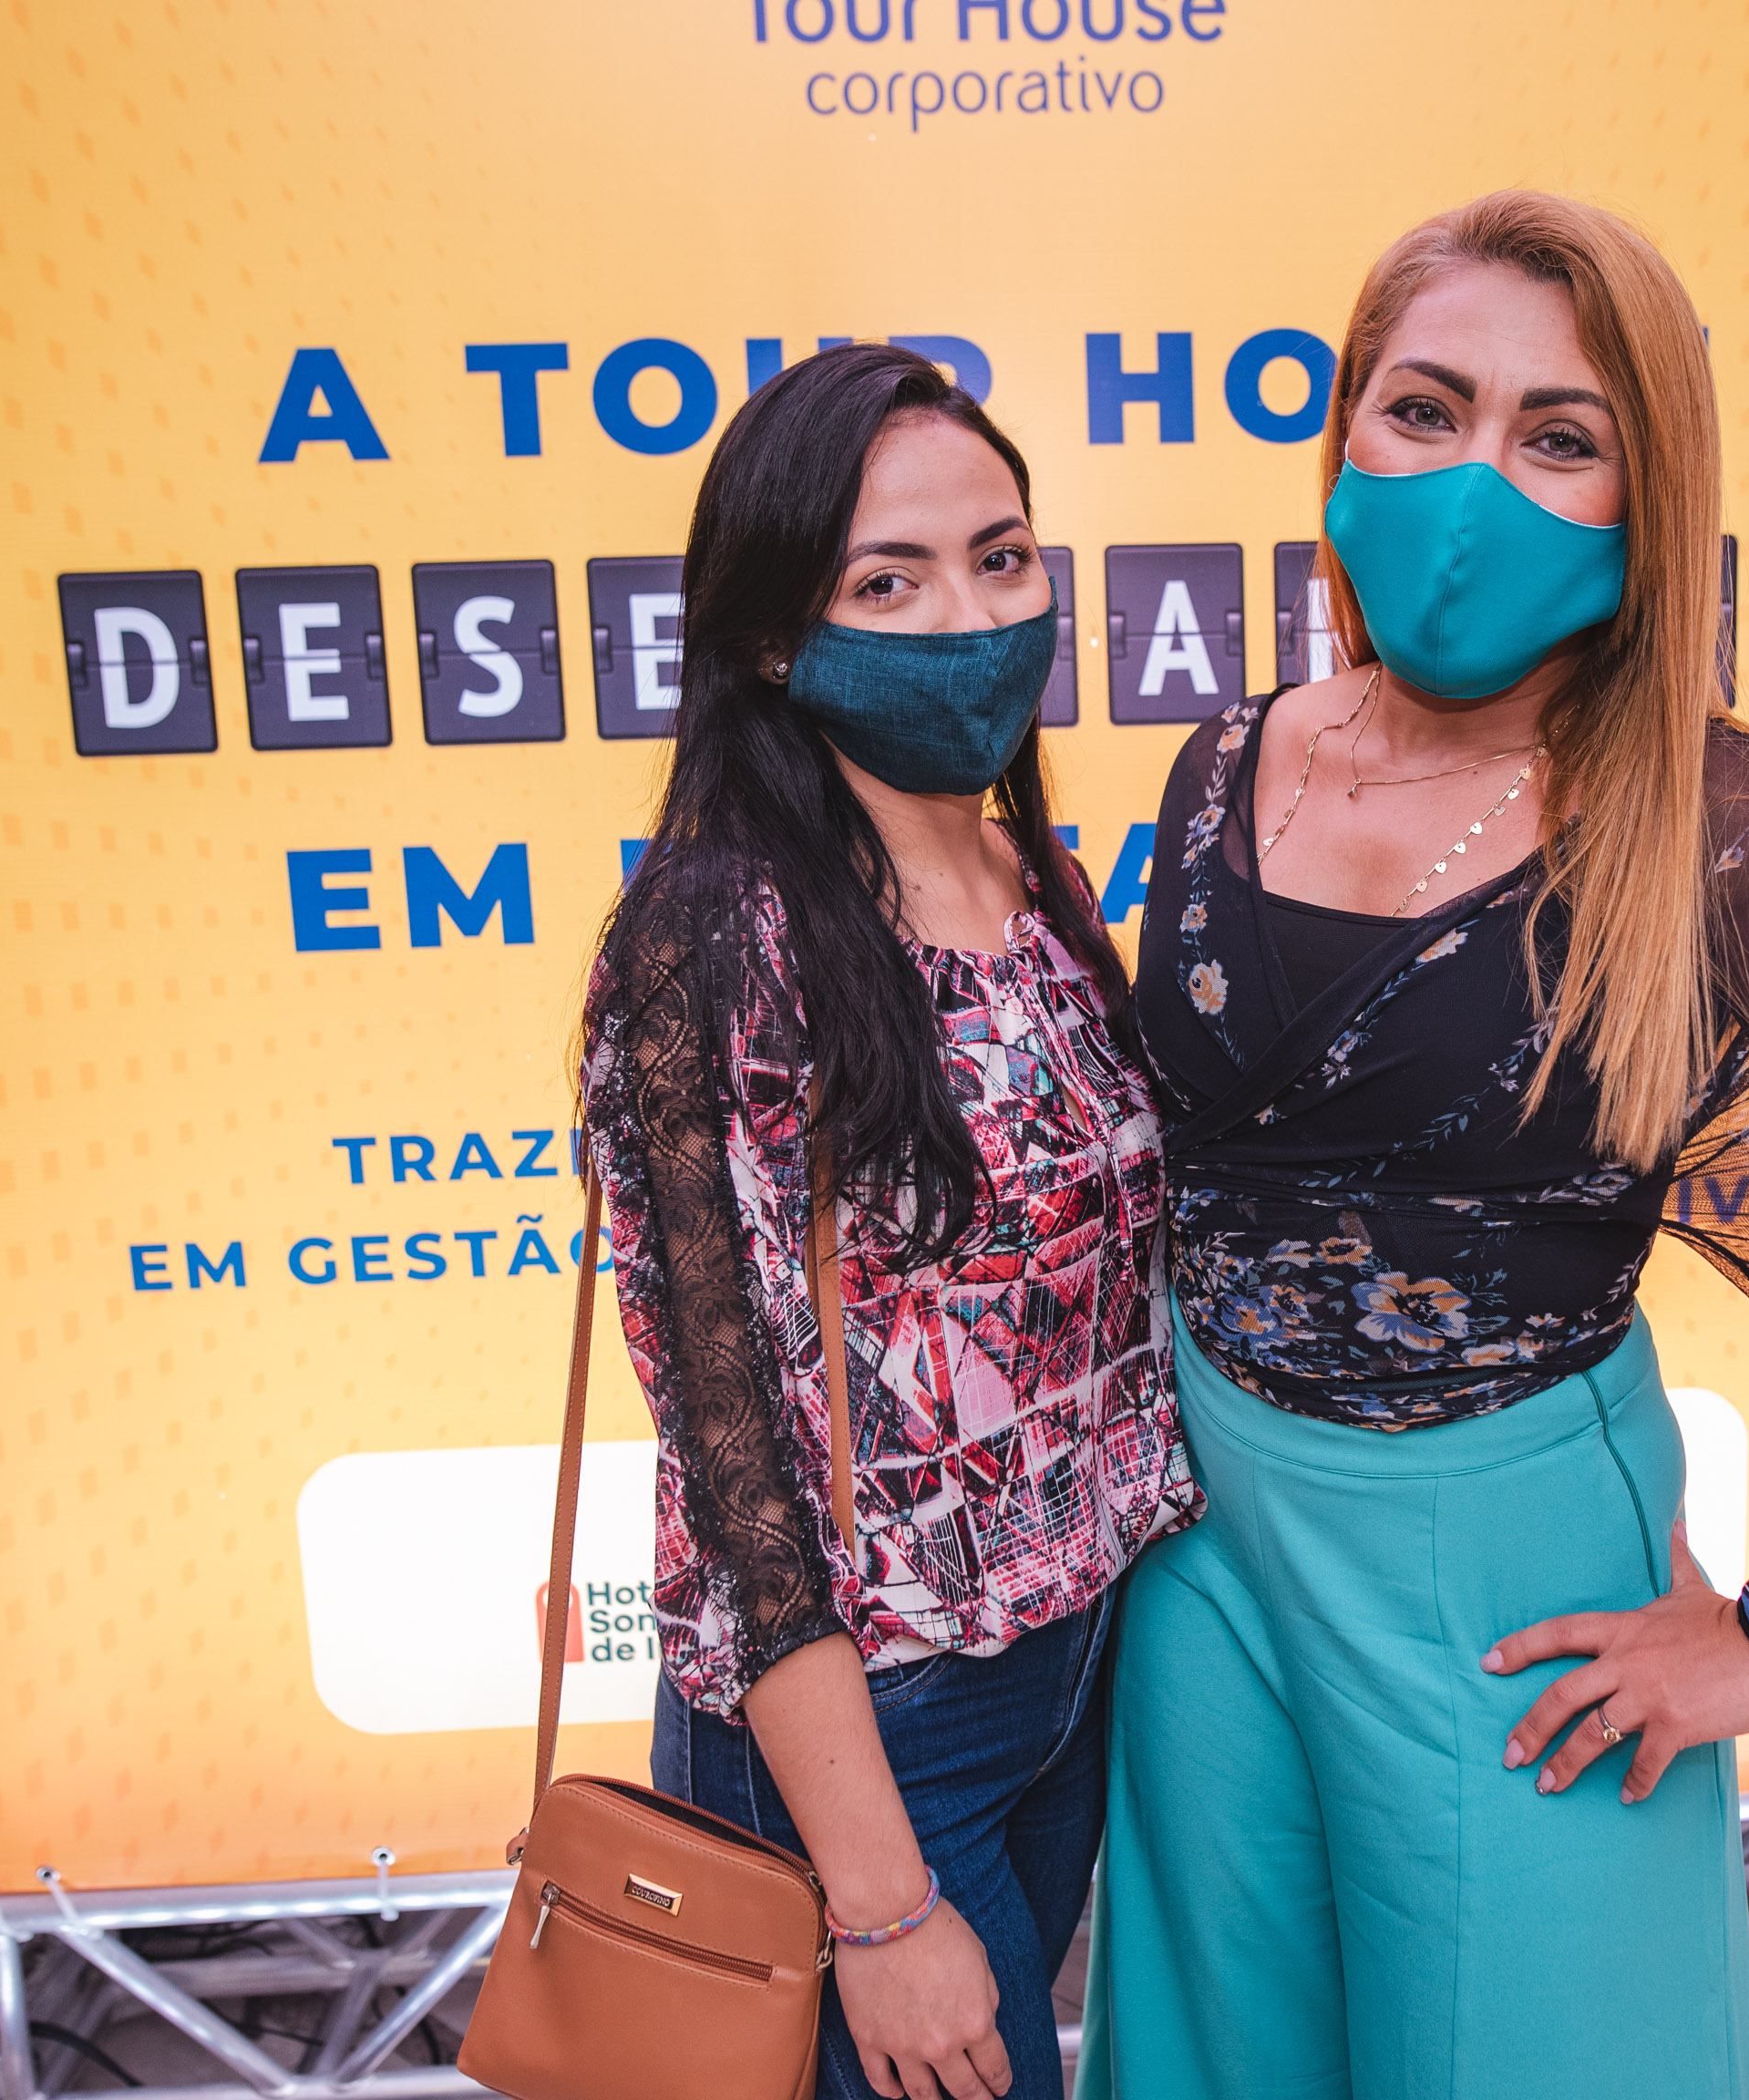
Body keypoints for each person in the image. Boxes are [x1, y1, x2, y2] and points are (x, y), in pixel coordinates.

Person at [1075, 193, 1749, 2099]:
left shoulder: (1714, 822)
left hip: (1509, 1575)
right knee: (1216, 2059)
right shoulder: (1224, 759)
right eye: (1425, 408)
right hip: (1206, 1548)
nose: (1472, 480)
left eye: (1559, 439)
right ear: (1345, 434)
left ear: (1646, 508)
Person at [581, 344, 1200, 2100]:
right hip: (869, 1743)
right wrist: (875, 1902)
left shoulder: (1032, 879)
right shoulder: (718, 945)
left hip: (1070, 1677)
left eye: (1001, 559)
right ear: (776, 636)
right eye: (888, 581)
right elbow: (736, 1481)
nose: (970, 618)